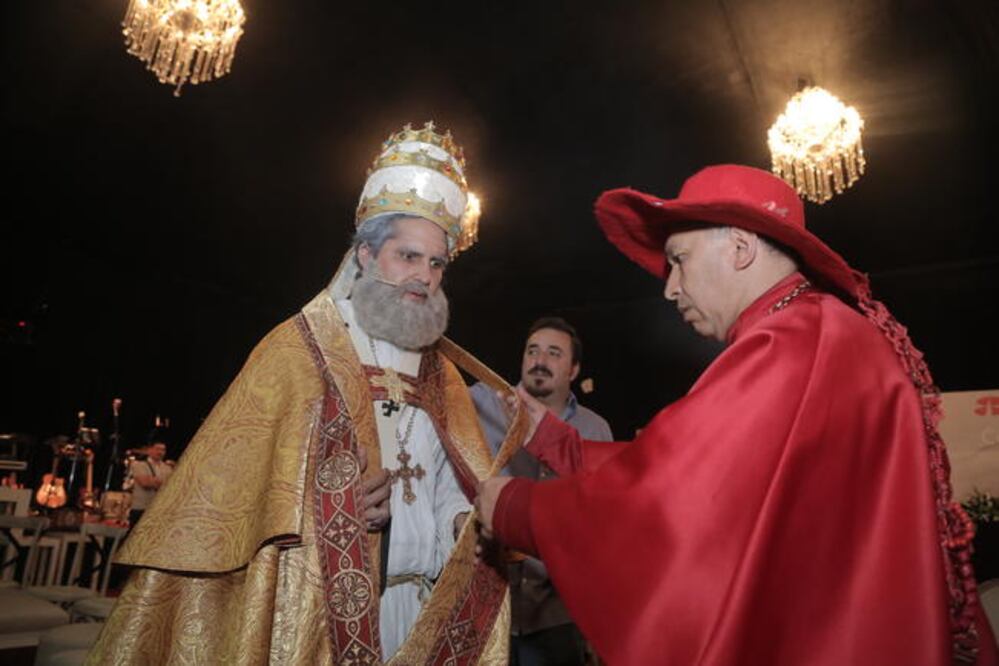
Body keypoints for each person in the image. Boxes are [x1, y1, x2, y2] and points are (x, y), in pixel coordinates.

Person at [477, 165, 999, 665]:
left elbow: (671, 500)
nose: (670, 288)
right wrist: (556, 442)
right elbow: (693, 466)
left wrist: (515, 507)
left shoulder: (791, 341)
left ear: (742, 248)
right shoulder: (821, 331)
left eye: (678, 260)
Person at [88, 122, 517, 665]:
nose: (424, 278)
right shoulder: (297, 351)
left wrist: (462, 519)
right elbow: (239, 499)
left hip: (421, 609)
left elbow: (448, 483)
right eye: (408, 257)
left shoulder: (445, 376)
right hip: (320, 612)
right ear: (364, 255)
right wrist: (332, 507)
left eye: (436, 263)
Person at [470, 316, 612, 665]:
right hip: (485, 604)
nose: (539, 361)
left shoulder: (594, 430)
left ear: (574, 370)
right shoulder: (480, 404)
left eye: (553, 353)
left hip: (556, 615)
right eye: (532, 351)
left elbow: (603, 522)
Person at [126, 436, 173, 527]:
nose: (160, 452)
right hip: (140, 509)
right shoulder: (139, 465)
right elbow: (145, 483)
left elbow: (171, 487)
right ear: (150, 450)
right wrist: (162, 483)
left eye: (163, 450)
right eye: (157, 449)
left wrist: (154, 481)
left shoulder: (168, 468)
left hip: (158, 510)